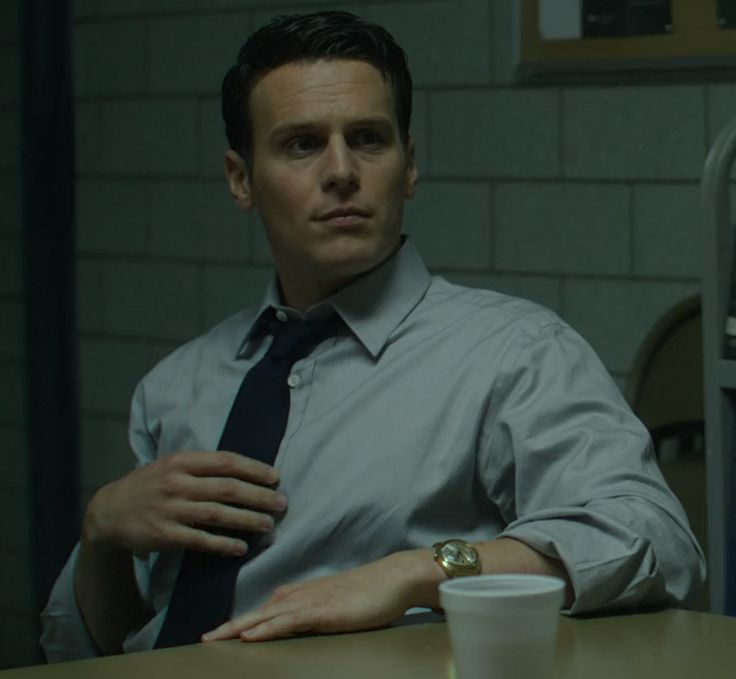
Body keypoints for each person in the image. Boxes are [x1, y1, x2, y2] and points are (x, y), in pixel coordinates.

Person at [41, 10, 704, 661]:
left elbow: (656, 541)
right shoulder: (178, 385)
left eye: (367, 138)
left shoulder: (512, 354)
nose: (341, 171)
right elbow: (89, 649)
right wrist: (101, 536)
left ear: (408, 166)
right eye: (301, 144)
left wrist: (418, 573)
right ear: (241, 178)